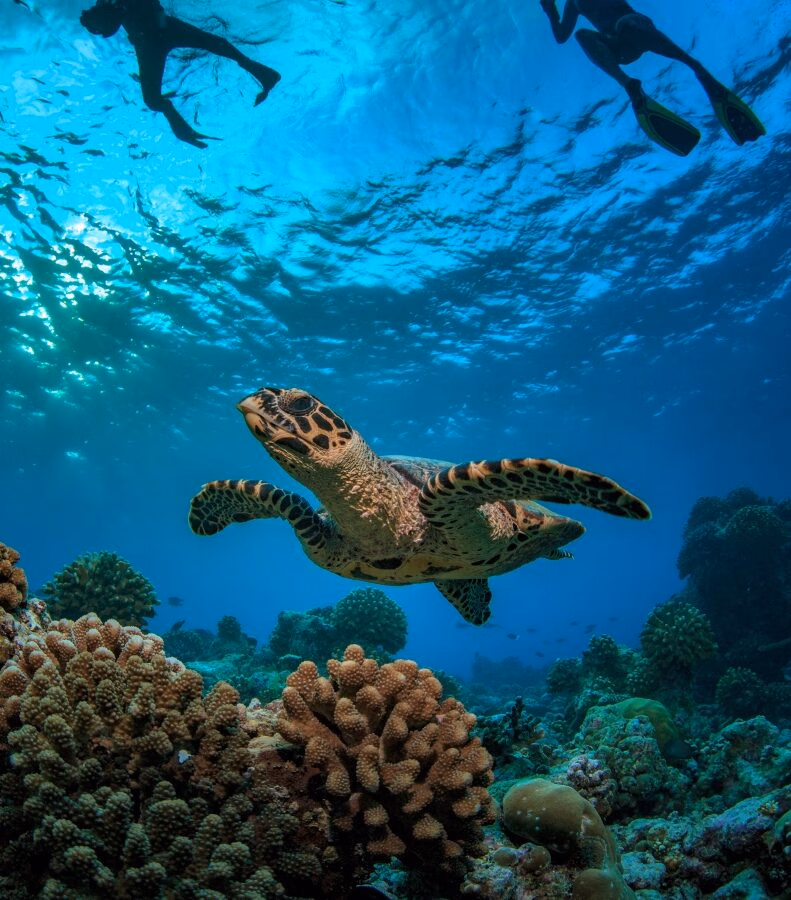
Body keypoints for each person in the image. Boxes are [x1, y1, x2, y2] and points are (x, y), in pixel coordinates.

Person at [539, 0, 765, 156]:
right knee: (582, 35)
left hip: (636, 28)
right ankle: (629, 86)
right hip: (618, 47)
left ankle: (697, 68)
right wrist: (550, 11)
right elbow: (561, 36)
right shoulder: (573, 4)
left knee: (625, 24)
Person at [80, 0, 281, 148]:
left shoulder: (110, 4)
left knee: (212, 43)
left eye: (102, 25)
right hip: (148, 41)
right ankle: (182, 128)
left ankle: (262, 73)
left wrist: (156, 18)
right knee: (152, 99)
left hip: (161, 30)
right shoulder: (110, 11)